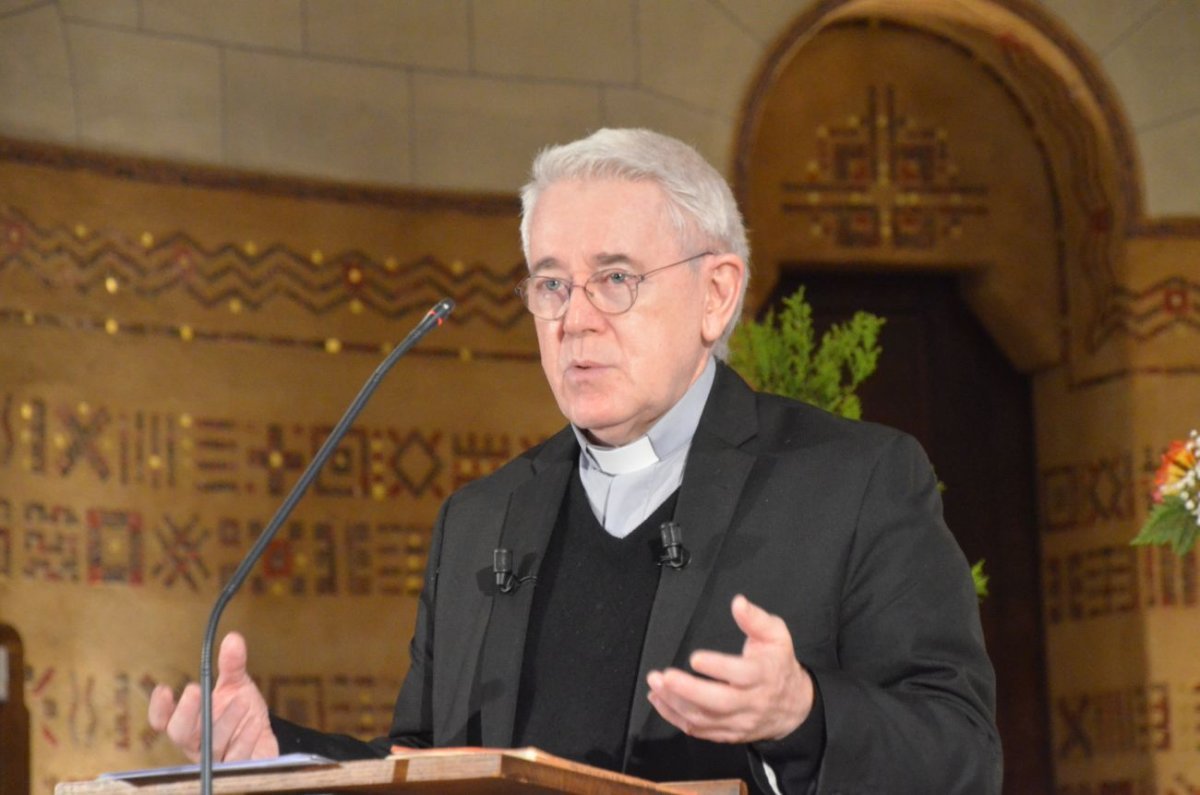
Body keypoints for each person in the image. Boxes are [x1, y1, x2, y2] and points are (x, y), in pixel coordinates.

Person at [148, 128, 1002, 793]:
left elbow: (961, 757)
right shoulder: (483, 518)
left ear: (716, 295)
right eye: (551, 283)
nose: (575, 319)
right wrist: (278, 755)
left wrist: (803, 714)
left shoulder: (852, 481)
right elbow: (433, 763)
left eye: (616, 278)